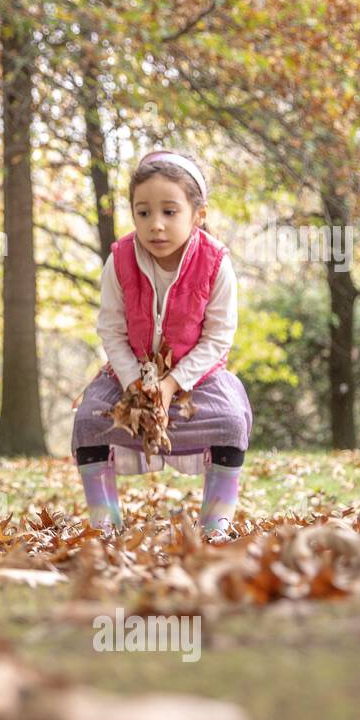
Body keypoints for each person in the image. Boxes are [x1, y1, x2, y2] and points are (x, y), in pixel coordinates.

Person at [70, 149, 253, 541]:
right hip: (131, 370)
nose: (156, 225)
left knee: (230, 420)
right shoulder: (119, 260)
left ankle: (216, 523)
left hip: (196, 374)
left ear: (197, 214)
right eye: (143, 212)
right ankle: (105, 523)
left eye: (170, 212)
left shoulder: (216, 262)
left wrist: (171, 386)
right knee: (89, 420)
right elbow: (111, 329)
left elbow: (218, 336)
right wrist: (137, 382)